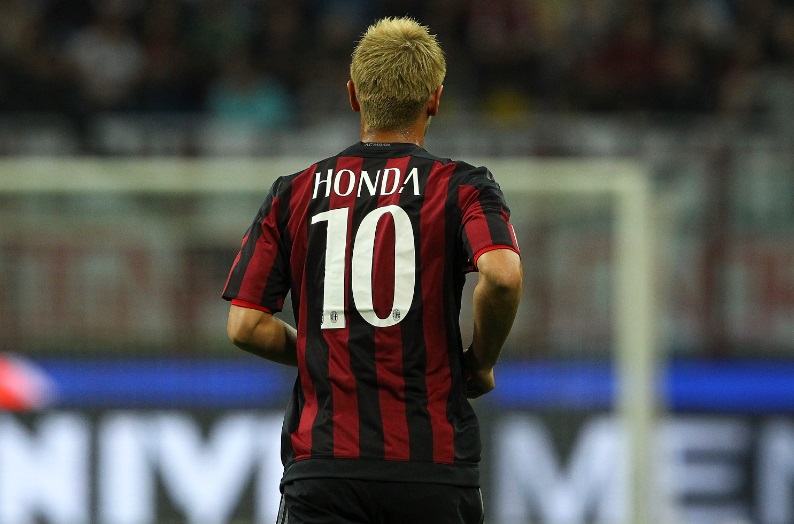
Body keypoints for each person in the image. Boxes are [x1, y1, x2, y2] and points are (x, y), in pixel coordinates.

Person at [222, 17, 522, 524]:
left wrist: (328, 352)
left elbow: (245, 325)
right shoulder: (463, 187)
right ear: (434, 99)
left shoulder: (293, 192)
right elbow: (503, 275)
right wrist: (481, 360)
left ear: (353, 96)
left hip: (324, 466)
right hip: (433, 466)